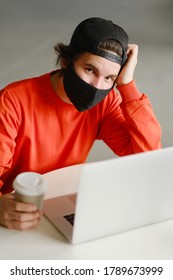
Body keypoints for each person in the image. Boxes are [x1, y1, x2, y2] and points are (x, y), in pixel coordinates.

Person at [0, 17, 162, 230]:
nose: (97, 86)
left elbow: (147, 158)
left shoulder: (106, 101)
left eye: (109, 78)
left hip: (64, 207)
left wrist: (127, 86)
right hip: (18, 212)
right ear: (67, 61)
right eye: (90, 70)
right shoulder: (13, 100)